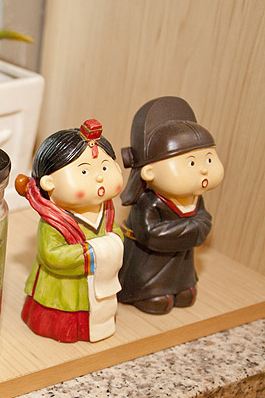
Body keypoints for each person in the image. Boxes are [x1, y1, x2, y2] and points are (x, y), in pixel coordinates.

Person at [16, 119, 124, 343]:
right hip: (61, 287)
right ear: (49, 182)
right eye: (84, 171)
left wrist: (115, 240)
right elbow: (52, 256)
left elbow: (115, 232)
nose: (100, 177)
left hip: (97, 283)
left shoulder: (106, 210)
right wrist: (92, 251)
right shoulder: (53, 222)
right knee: (63, 317)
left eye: (105, 167)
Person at [117, 96, 224, 314]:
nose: (203, 170)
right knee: (156, 295)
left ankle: (181, 286)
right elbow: (150, 234)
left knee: (186, 290)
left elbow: (205, 221)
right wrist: (193, 228)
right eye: (191, 163)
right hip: (149, 261)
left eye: (209, 159)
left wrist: (189, 229)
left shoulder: (195, 197)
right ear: (149, 171)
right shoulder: (148, 202)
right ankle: (148, 292)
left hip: (181, 258)